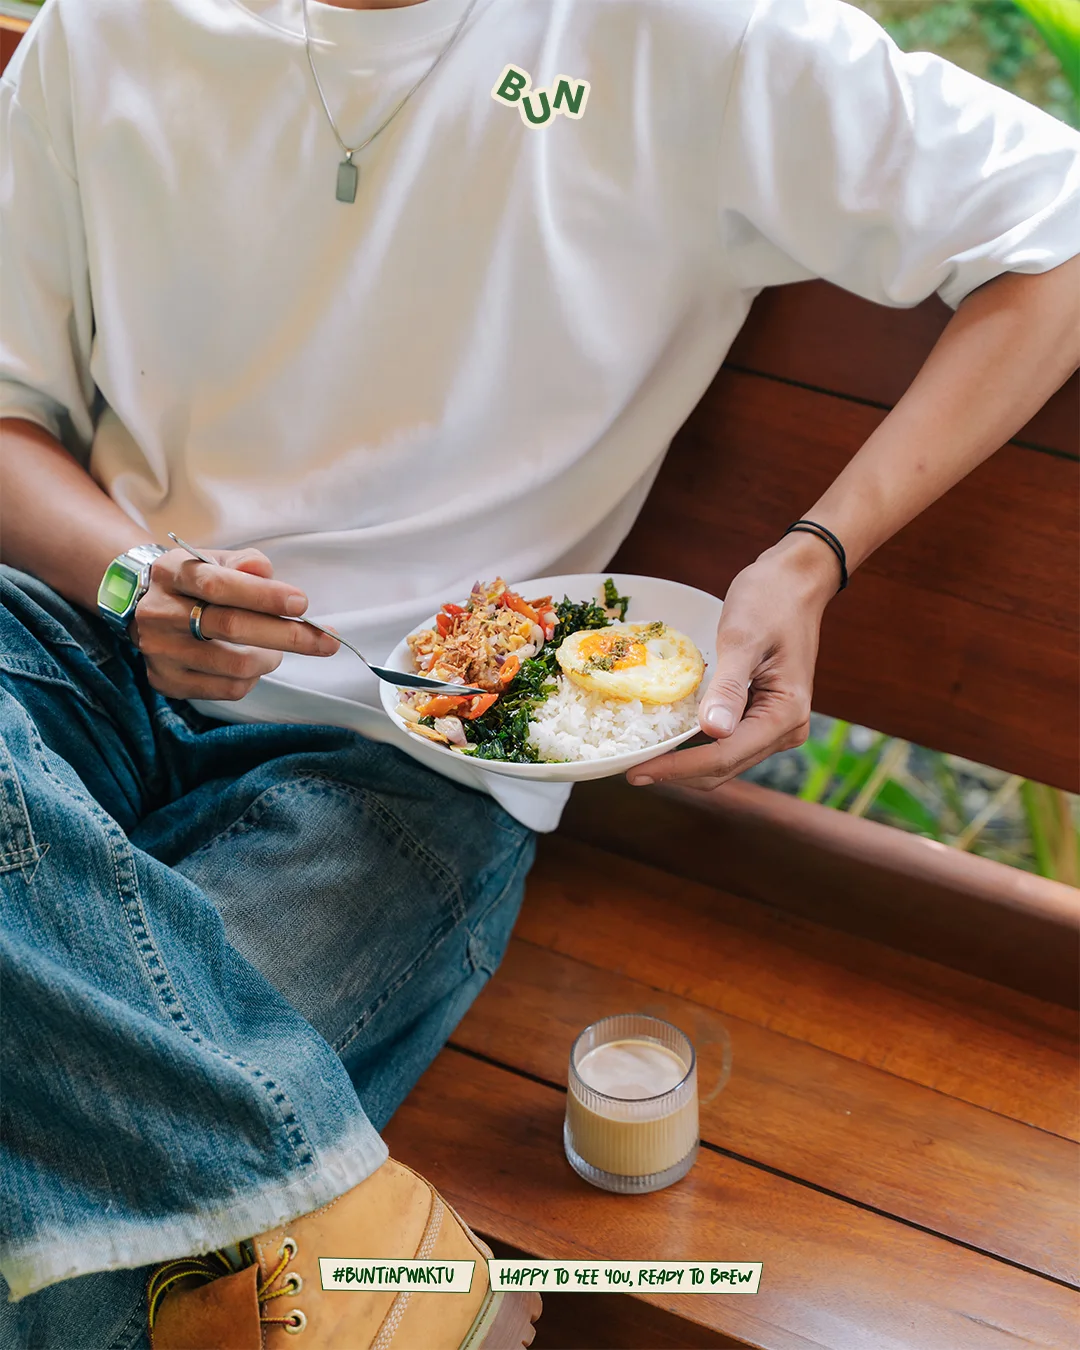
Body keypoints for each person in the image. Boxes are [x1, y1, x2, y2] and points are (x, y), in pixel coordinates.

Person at [1, 0, 1077, 1345]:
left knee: (55, 1211)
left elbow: (1062, 229)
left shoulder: (692, 35)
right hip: (68, 655)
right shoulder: (106, 31)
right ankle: (383, 1263)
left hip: (399, 764)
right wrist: (132, 573)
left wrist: (813, 554)